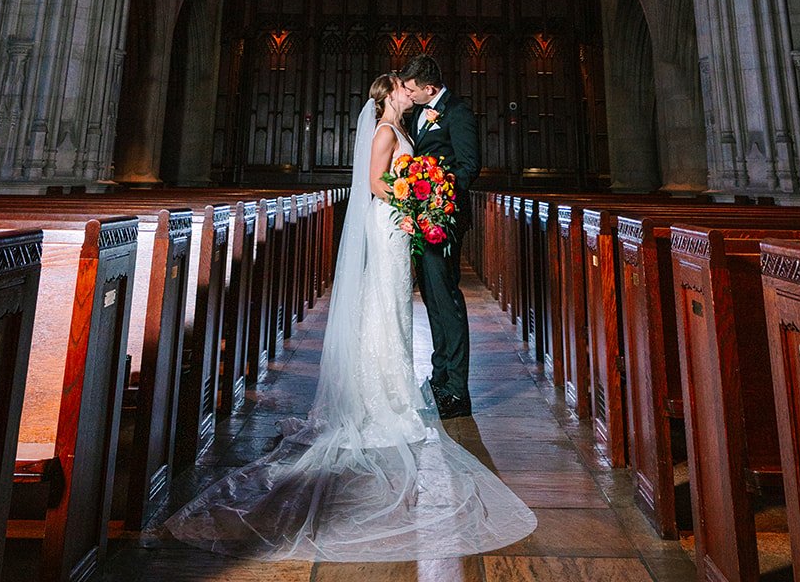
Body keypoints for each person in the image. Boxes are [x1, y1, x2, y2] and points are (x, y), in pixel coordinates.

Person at [164, 72, 535, 561]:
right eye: (402, 88)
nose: (407, 91)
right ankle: (380, 397)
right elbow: (375, 183)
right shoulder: (386, 131)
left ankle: (395, 389)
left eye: (410, 85)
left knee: (396, 310)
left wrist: (419, 200)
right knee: (384, 306)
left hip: (401, 227)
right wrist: (413, 199)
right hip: (390, 226)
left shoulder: (406, 129)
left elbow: (415, 173)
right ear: (391, 96)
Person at [400, 53, 480, 419]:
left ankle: (457, 391)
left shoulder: (458, 113)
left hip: (443, 219)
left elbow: (468, 165)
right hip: (421, 220)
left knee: (446, 299)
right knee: (432, 299)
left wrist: (439, 194)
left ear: (429, 88)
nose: (408, 93)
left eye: (412, 88)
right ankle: (440, 375)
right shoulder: (417, 113)